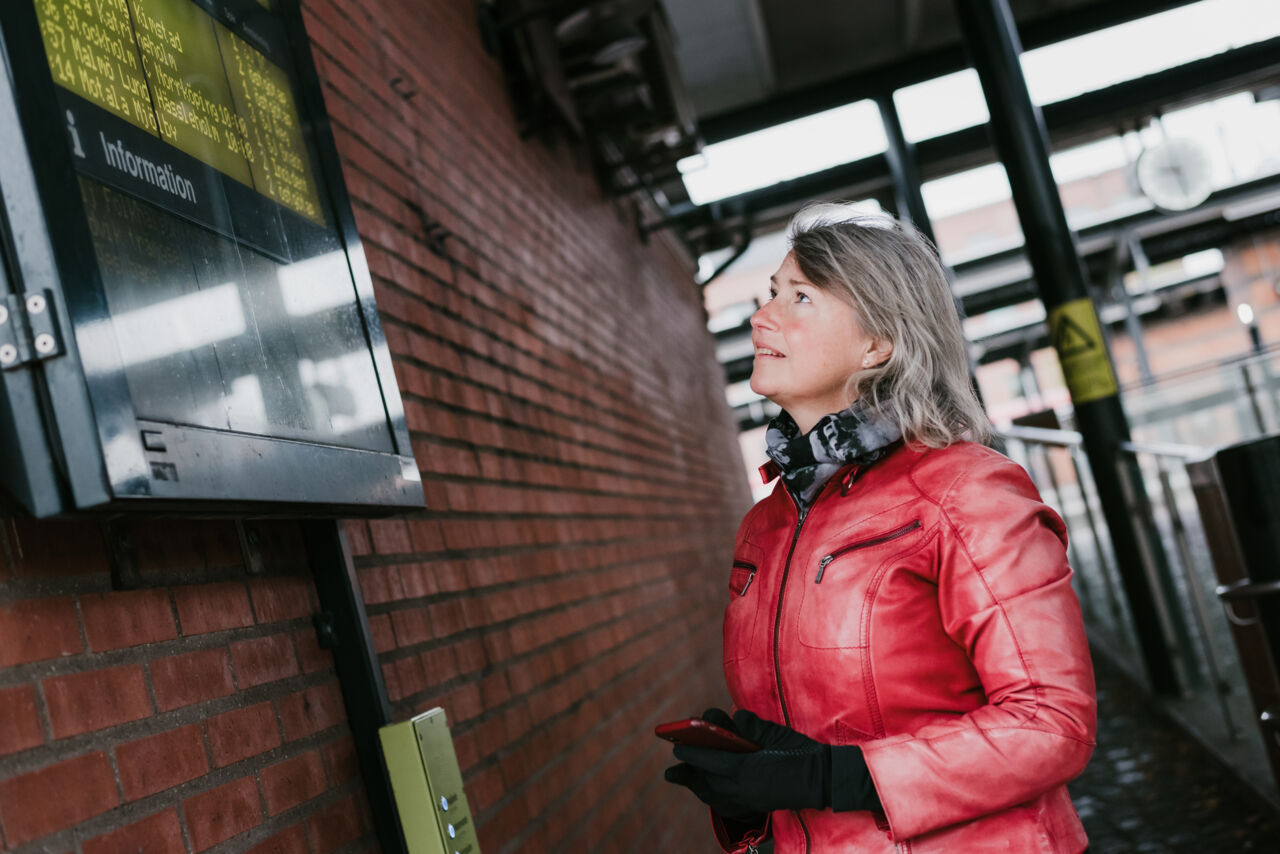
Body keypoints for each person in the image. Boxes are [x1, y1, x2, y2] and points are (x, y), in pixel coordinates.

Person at [664, 204, 1097, 853]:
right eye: (769, 295)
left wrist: (834, 776)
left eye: (800, 297)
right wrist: (750, 787)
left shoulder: (965, 492)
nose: (760, 318)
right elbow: (808, 766)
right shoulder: (768, 523)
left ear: (877, 343)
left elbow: (1052, 724)